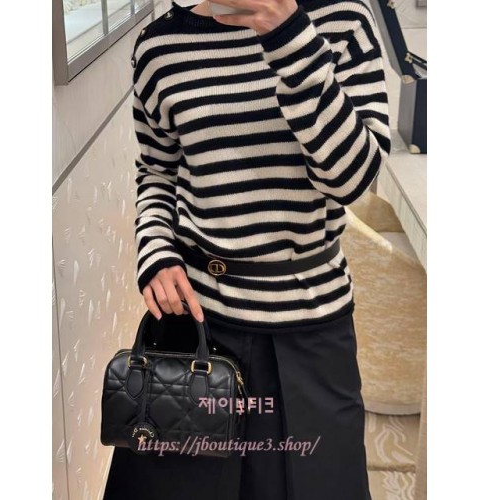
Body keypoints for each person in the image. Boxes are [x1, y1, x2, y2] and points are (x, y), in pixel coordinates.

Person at [103, 0, 391, 498]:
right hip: (195, 325)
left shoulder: (344, 21)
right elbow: (157, 172)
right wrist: (156, 251)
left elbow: (353, 179)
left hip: (310, 326)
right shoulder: (159, 45)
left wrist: (289, 37)